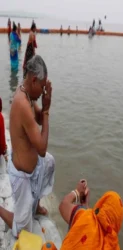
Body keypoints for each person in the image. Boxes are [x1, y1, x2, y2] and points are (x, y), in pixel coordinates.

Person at [0, 55, 55, 237]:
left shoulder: (28, 94)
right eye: (42, 86)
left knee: (49, 162)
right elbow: (41, 148)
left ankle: (36, 204)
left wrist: (44, 107)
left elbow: (38, 118)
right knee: (22, 231)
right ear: (33, 80)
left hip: (33, 168)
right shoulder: (22, 103)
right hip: (21, 175)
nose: (42, 93)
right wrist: (46, 110)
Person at [59, 181, 123, 249]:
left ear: (101, 204)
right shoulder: (114, 246)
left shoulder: (86, 218)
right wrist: (85, 204)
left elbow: (63, 205)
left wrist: (78, 191)